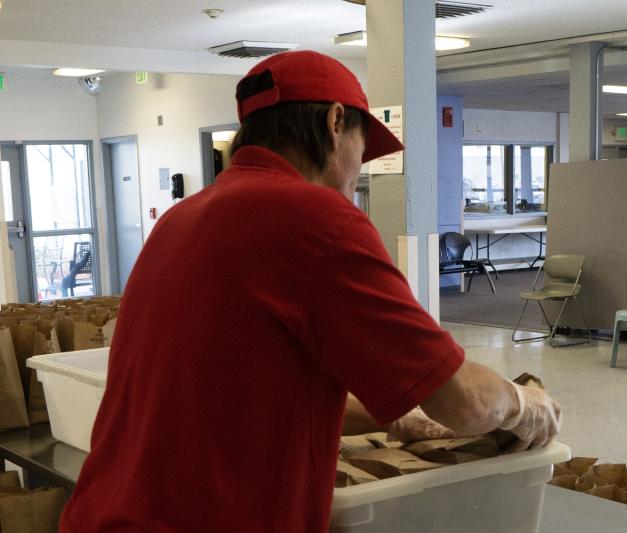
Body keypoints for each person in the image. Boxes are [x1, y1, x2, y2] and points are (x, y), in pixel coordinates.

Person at [60, 50, 561, 532]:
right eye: (362, 153)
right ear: (336, 123)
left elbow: (248, 396)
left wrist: (399, 416)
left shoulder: (180, 220)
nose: (357, 172)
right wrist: (522, 403)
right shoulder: (316, 218)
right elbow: (465, 402)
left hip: (105, 514)